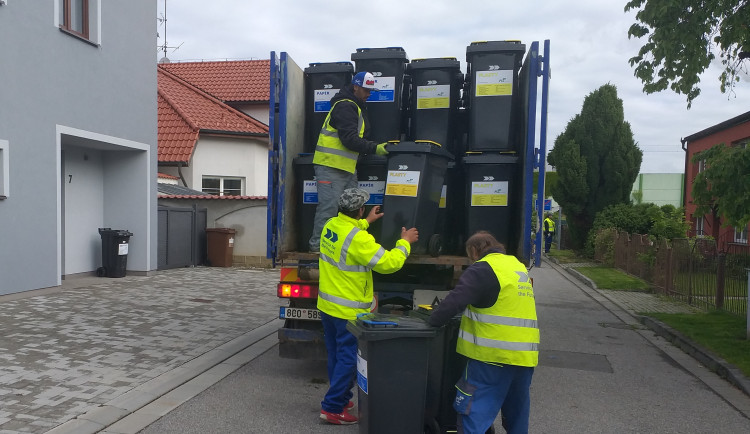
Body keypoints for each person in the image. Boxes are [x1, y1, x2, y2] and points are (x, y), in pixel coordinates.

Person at [317, 188, 418, 425]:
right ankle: (332, 407)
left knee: (335, 354)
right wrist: (404, 243)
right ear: (359, 209)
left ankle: (340, 397)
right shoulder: (359, 239)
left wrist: (365, 221)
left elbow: (349, 236)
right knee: (349, 359)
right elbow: (388, 263)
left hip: (327, 305)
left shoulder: (331, 225)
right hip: (348, 311)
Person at [428, 231, 539, 434]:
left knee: (473, 414)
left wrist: (431, 322)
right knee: (517, 418)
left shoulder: (483, 269)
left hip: (491, 359)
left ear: (474, 250)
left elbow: (456, 300)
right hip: (524, 360)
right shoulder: (516, 267)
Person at [309, 71, 389, 252]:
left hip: (346, 167)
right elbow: (349, 139)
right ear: (356, 87)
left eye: (371, 90)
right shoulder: (345, 106)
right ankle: (317, 247)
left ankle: (345, 246)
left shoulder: (355, 106)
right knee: (329, 209)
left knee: (352, 210)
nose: (369, 94)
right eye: (366, 90)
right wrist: (375, 148)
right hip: (330, 166)